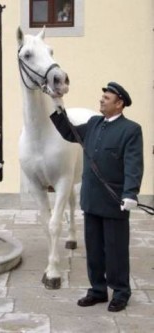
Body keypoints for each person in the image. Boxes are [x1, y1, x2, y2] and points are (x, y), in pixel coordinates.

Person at [50, 82, 143, 312]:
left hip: (114, 202)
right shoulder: (93, 124)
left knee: (116, 251)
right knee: (94, 250)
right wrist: (57, 104)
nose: (101, 100)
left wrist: (130, 193)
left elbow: (133, 164)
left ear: (119, 104)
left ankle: (121, 292)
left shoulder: (130, 129)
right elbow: (68, 132)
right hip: (91, 200)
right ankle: (98, 290)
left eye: (107, 98)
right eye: (102, 96)